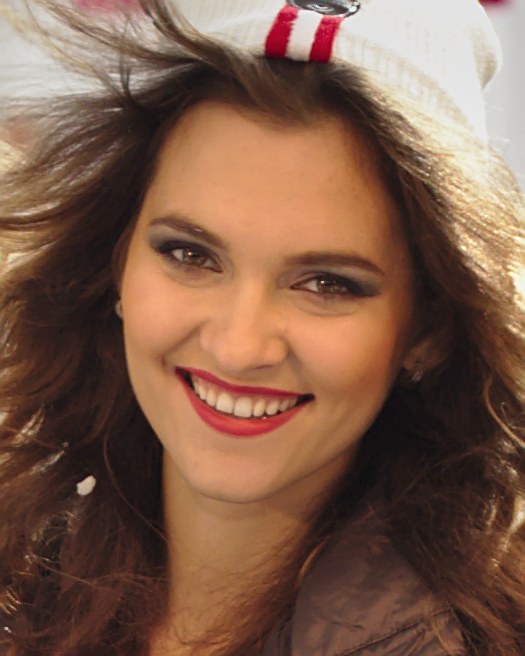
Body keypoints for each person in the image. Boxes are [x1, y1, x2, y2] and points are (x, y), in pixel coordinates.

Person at [1, 1, 524, 654]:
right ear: (115, 262)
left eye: (327, 284)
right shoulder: (30, 566)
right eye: (190, 254)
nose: (238, 346)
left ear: (430, 327)